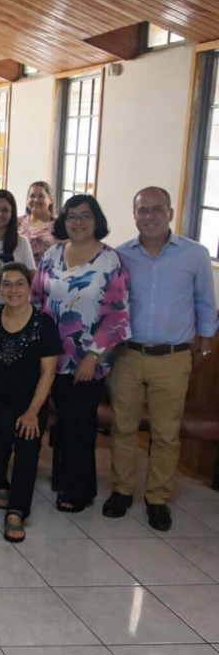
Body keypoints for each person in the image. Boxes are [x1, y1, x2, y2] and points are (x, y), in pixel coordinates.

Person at [104, 187, 217, 531]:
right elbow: (111, 307)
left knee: (166, 434)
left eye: (157, 209)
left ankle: (158, 498)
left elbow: (205, 304)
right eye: (142, 210)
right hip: (127, 354)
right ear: (134, 215)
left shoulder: (195, 254)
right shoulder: (120, 255)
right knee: (122, 428)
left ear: (170, 212)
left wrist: (205, 349)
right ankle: (122, 491)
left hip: (173, 357)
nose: (149, 216)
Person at [32, 194, 130, 513]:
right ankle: (62, 478)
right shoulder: (52, 254)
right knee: (58, 422)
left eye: (85, 216)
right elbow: (35, 299)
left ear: (96, 220)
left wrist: (93, 356)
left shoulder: (110, 260)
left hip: (86, 362)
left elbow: (117, 315)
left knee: (79, 424)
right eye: (72, 216)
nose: (78, 222)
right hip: (47, 358)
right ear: (63, 221)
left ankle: (79, 490)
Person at [0, 263, 62, 542]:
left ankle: (17, 509)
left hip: (30, 396)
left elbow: (48, 373)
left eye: (19, 283)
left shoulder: (44, 323)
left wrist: (33, 411)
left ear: (29, 287)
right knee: (2, 429)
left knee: (28, 437)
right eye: (7, 284)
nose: (13, 290)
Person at [18, 181, 56, 266]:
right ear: (27, 199)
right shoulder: (17, 222)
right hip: (18, 275)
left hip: (46, 276)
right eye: (32, 196)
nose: (36, 200)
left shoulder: (59, 225)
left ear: (51, 199)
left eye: (41, 196)